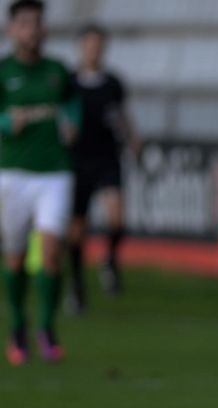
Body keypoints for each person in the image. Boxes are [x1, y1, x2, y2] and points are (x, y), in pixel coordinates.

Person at [1, 0, 78, 366]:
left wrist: (72, 122)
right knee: (15, 258)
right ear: (11, 30)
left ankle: (46, 326)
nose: (32, 30)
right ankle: (18, 325)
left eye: (36, 23)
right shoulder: (3, 72)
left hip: (54, 173)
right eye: (24, 23)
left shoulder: (57, 70)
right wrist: (5, 123)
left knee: (49, 252)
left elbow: (73, 101)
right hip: (12, 173)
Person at [65, 22, 140, 313]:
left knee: (117, 217)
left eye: (98, 44)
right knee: (77, 229)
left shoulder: (113, 83)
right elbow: (61, 115)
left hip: (107, 157)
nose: (94, 49)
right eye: (89, 44)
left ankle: (109, 260)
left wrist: (132, 137)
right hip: (77, 160)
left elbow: (121, 115)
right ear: (81, 47)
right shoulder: (68, 82)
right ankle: (77, 286)